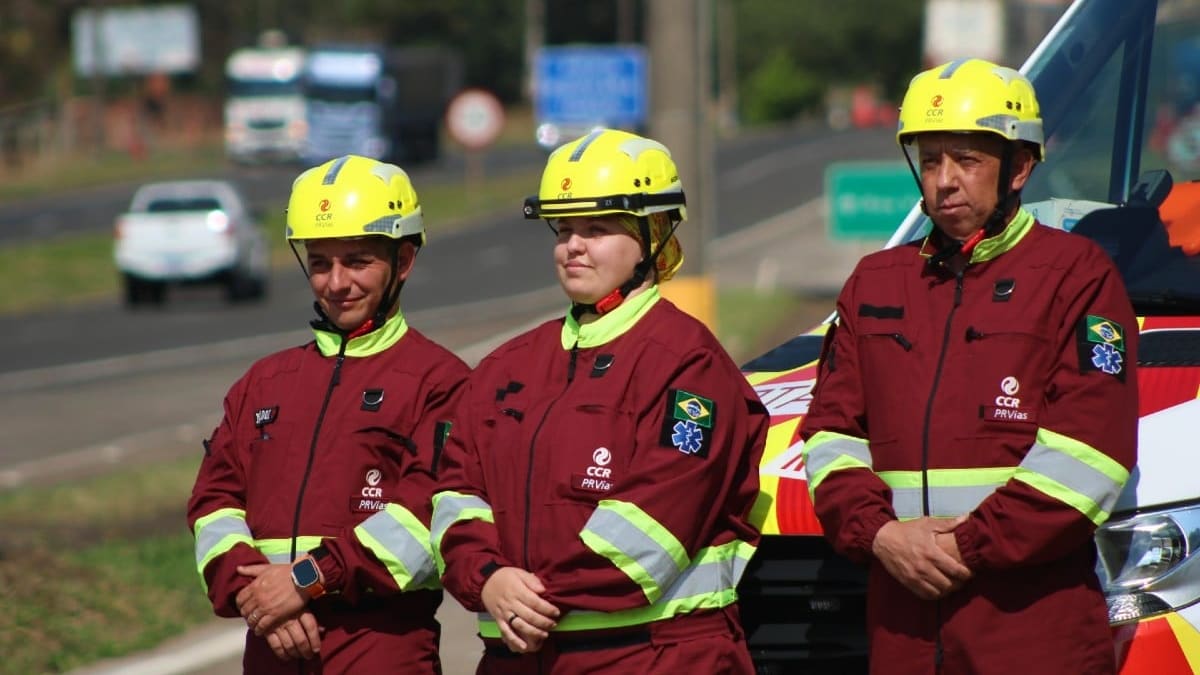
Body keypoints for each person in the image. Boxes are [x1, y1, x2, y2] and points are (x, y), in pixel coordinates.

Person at [799, 58, 1138, 674]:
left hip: (1033, 635)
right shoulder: (874, 282)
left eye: (967, 160)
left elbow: (1090, 455)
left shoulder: (1078, 276)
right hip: (901, 631)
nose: (944, 181)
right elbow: (829, 435)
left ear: (1020, 167)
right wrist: (880, 535)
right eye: (930, 162)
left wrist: (963, 547)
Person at [431, 128, 769, 673]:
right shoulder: (505, 367)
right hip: (517, 659)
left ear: (653, 234)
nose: (573, 246)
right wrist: (486, 578)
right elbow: (455, 495)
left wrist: (527, 599)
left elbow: (651, 531)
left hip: (650, 658)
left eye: (596, 229)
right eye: (564, 229)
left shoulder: (690, 365)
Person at [187, 154, 469, 674]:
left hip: (380, 651)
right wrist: (254, 591)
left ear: (404, 261)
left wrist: (305, 581)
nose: (336, 283)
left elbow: (423, 523)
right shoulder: (262, 383)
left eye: (357, 261)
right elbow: (213, 506)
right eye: (320, 263)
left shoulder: (442, 382)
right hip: (271, 645)